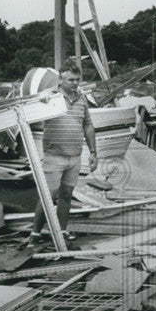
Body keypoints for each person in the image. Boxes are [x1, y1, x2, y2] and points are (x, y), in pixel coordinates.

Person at [28, 65, 98, 246]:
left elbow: (88, 125)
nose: (75, 83)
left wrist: (93, 152)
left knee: (66, 195)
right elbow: (32, 103)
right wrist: (42, 96)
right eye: (71, 80)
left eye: (77, 80)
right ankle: (35, 233)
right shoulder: (50, 97)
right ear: (61, 80)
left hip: (75, 156)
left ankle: (62, 231)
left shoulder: (82, 99)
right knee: (47, 196)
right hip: (54, 156)